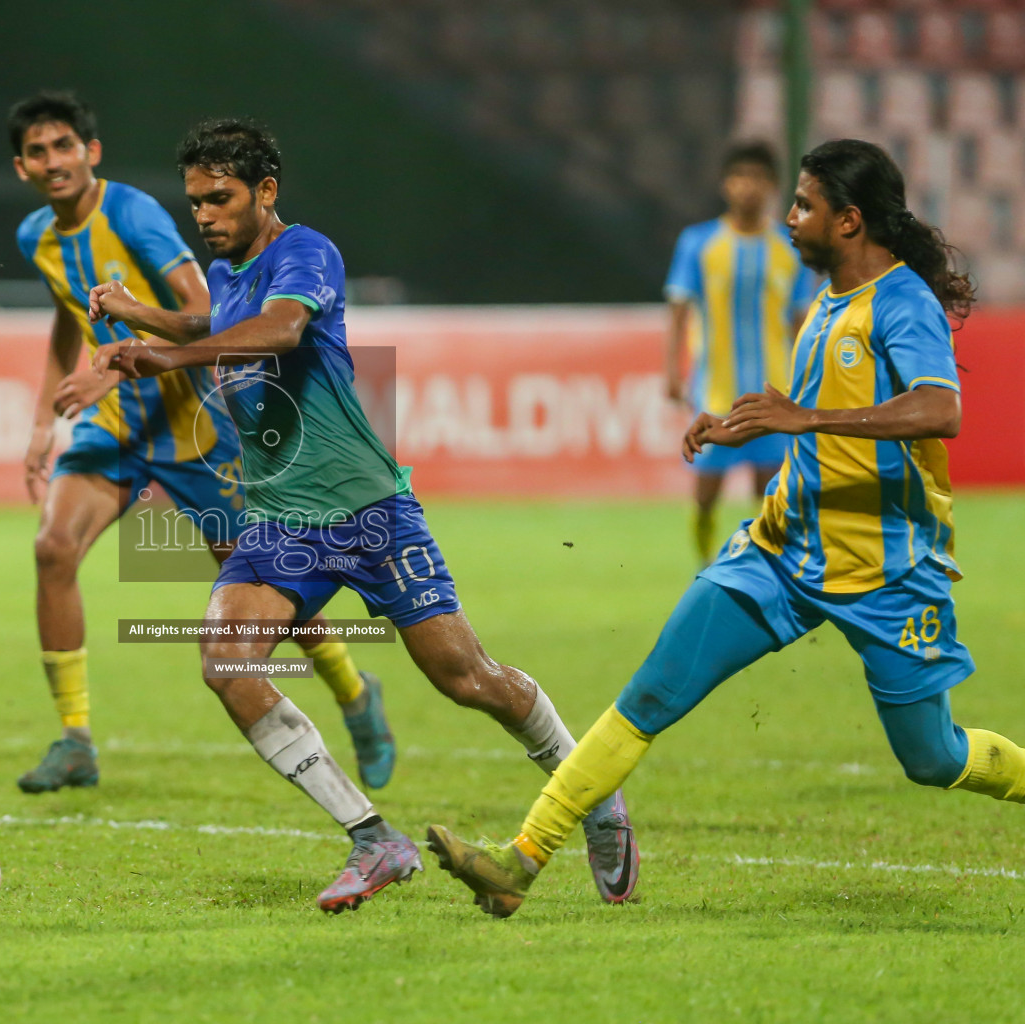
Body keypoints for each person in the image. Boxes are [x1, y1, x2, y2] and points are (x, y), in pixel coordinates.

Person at [428, 139, 1025, 918]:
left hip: (884, 574)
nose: (789, 217)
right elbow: (811, 419)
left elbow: (938, 409)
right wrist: (748, 423)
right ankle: (521, 861)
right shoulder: (828, 303)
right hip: (778, 554)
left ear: (849, 221)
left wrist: (805, 417)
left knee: (933, 757)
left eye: (805, 205)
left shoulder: (901, 301)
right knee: (649, 697)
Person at [89, 118, 638, 913]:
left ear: (266, 192)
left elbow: (279, 331)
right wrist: (143, 318)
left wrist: (167, 357)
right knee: (227, 664)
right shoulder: (228, 269)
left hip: (368, 513)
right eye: (196, 201)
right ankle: (374, 840)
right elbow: (216, 323)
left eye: (220, 199)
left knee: (467, 679)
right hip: (279, 522)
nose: (203, 215)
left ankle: (592, 794)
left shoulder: (306, 252)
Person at [9, 92, 394, 794]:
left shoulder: (131, 215)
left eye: (64, 145)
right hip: (117, 423)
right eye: (38, 151)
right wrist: (45, 416)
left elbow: (202, 313)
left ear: (90, 153)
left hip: (195, 423)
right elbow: (68, 315)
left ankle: (353, 690)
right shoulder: (35, 234)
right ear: (21, 167)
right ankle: (76, 739)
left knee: (267, 589)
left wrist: (121, 353)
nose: (53, 161)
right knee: (52, 548)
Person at [665, 141, 820, 566]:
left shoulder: (790, 247)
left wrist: (809, 380)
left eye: (756, 178)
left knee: (768, 493)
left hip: (773, 390)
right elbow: (679, 310)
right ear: (724, 184)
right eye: (739, 177)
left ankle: (765, 567)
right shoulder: (700, 243)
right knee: (705, 496)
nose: (747, 187)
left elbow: (798, 320)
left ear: (772, 186)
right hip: (715, 391)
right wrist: (672, 373)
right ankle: (703, 563)